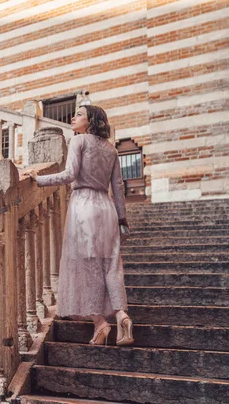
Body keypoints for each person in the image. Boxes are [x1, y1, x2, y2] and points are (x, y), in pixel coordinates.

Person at [35, 105, 133, 346]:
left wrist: (38, 180)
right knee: (111, 265)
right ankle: (121, 315)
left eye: (79, 114)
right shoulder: (111, 150)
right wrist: (122, 219)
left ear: (90, 121)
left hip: (84, 207)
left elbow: (69, 174)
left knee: (86, 266)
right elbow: (118, 187)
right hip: (106, 207)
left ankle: (100, 322)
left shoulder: (78, 142)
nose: (73, 117)